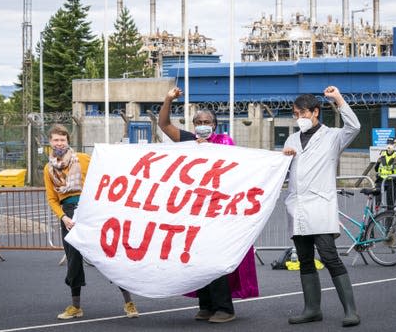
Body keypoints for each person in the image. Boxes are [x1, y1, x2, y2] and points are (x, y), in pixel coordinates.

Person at [158, 86, 259, 324]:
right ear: (194, 125)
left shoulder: (225, 142)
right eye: (199, 121)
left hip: (218, 212)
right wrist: (168, 99)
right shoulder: (188, 141)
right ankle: (206, 305)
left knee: (215, 259)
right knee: (197, 259)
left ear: (215, 125)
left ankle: (224, 308)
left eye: (207, 121)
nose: (203, 124)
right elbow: (164, 125)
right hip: (194, 213)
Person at [282, 86, 361, 327]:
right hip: (297, 208)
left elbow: (354, 127)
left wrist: (338, 99)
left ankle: (351, 311)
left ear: (316, 112)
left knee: (329, 256)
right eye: (295, 114)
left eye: (302, 113)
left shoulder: (333, 137)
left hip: (320, 206)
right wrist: (283, 158)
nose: (299, 118)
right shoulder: (292, 138)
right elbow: (285, 170)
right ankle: (312, 309)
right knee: (305, 259)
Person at [44, 124, 139, 320]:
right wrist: (63, 217)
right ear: (50, 142)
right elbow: (52, 198)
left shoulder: (84, 159)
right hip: (69, 215)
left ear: (68, 140)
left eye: (62, 139)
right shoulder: (48, 169)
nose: (59, 143)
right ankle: (76, 306)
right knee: (73, 261)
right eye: (56, 140)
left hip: (91, 210)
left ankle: (129, 303)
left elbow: (104, 173)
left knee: (109, 254)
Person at [373, 137, 396, 211]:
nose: (389, 145)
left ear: (394, 145)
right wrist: (378, 162)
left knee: (390, 204)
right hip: (381, 179)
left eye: (391, 144)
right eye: (388, 143)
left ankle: (389, 221)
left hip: (391, 181)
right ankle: (374, 217)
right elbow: (376, 169)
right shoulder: (382, 154)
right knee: (376, 199)